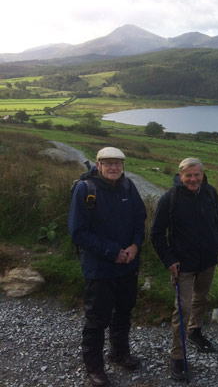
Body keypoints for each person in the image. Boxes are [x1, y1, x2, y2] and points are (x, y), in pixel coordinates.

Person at [68, 147, 147, 387]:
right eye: (108, 163)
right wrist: (112, 253)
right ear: (98, 164)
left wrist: (135, 246)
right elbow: (78, 232)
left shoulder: (128, 187)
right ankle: (94, 367)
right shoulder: (85, 190)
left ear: (123, 165)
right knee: (97, 318)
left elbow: (139, 218)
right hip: (99, 267)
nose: (114, 167)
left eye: (118, 163)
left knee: (124, 311)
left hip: (127, 265)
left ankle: (119, 352)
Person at [151, 157, 218, 380]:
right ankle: (177, 355)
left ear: (202, 175)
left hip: (207, 260)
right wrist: (169, 259)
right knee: (182, 309)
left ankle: (194, 332)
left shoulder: (210, 193)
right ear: (180, 175)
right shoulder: (170, 199)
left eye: (197, 174)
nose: (193, 179)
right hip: (182, 264)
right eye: (188, 175)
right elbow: (156, 234)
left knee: (201, 299)